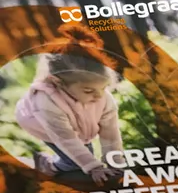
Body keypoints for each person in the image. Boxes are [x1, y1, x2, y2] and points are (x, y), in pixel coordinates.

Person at [14, 25, 123, 184]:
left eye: (104, 87)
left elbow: (110, 132)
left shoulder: (101, 98)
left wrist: (115, 163)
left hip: (79, 119)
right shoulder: (46, 102)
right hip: (41, 122)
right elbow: (65, 138)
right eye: (88, 90)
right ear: (59, 83)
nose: (99, 95)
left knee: (85, 154)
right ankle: (46, 164)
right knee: (74, 163)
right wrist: (94, 167)